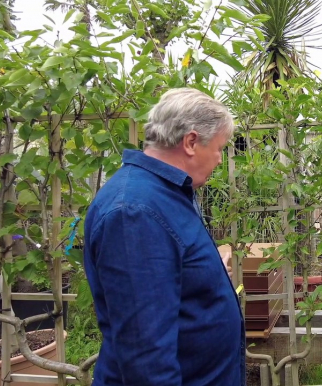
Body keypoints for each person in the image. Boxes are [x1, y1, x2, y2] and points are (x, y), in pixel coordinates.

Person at [83, 88, 244, 385]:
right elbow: (146, 354)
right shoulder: (134, 212)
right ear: (191, 142)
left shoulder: (166, 193)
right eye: (220, 148)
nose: (220, 159)